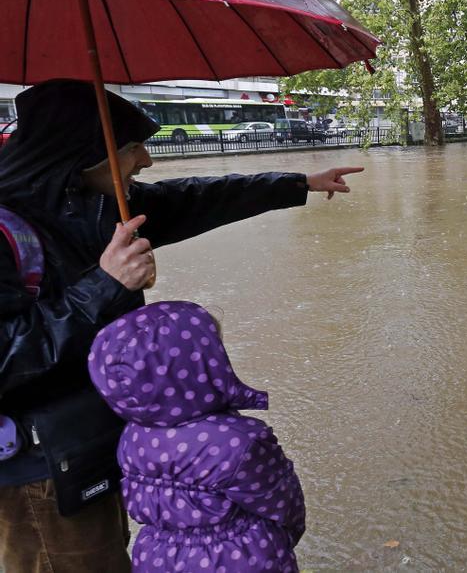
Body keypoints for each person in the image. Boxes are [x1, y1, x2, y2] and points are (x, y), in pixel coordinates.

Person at [0, 80, 361, 571]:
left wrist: (298, 184)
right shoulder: (8, 230)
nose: (146, 160)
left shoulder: (93, 202)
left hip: (95, 448)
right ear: (80, 156)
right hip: (38, 473)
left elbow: (195, 198)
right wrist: (105, 286)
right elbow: (6, 357)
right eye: (130, 148)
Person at [89, 300, 305, 572]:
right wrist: (280, 543)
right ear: (201, 367)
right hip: (241, 557)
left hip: (157, 557)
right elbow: (284, 504)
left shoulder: (132, 436)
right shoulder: (240, 440)